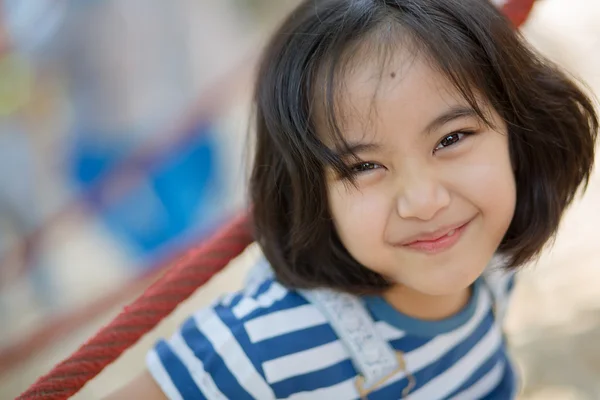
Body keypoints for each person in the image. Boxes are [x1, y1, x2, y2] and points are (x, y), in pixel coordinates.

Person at [106, 0, 598, 398]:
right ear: (312, 193)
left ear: (516, 132)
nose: (423, 201)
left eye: (451, 138)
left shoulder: (489, 262)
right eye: (363, 167)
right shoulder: (263, 345)